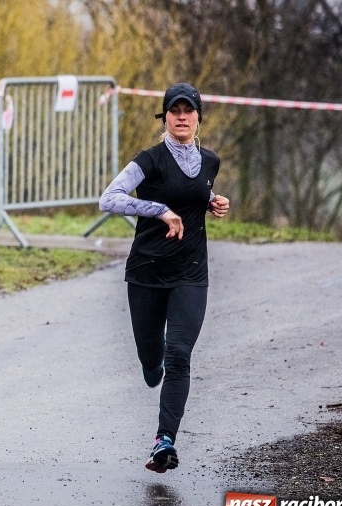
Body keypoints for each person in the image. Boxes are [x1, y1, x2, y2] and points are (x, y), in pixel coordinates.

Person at [98, 82, 230, 473]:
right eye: (175, 111)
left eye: (189, 111)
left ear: (198, 118)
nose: (182, 117)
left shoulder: (210, 162)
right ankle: (149, 363)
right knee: (152, 356)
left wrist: (211, 201)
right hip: (146, 272)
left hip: (191, 273)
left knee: (179, 355)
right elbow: (109, 198)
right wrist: (159, 209)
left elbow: (196, 191)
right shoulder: (150, 160)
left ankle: (164, 440)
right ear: (166, 117)